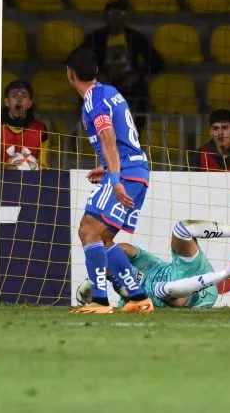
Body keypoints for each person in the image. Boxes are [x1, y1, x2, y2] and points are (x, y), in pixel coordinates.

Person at [65, 47, 154, 315]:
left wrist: (115, 178)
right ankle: (138, 298)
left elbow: (109, 139)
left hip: (126, 173)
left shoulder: (93, 99)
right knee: (102, 236)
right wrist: (106, 168)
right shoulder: (110, 92)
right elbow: (129, 135)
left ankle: (101, 301)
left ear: (70, 75)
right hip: (134, 169)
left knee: (88, 229)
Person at [75, 220, 230, 310]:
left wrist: (98, 273)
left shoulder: (139, 262)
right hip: (189, 299)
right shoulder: (127, 300)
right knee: (160, 290)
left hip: (186, 269)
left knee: (182, 229)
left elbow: (123, 248)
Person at [80, 1, 164, 115]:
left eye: (120, 14)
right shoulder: (95, 38)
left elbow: (157, 62)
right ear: (105, 17)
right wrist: (96, 74)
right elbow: (78, 60)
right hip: (102, 84)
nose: (116, 18)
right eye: (112, 15)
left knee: (141, 94)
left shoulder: (135, 37)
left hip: (130, 86)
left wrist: (138, 75)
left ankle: (139, 128)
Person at [1, 79, 49, 171]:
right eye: (14, 96)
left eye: (24, 96)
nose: (19, 100)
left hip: (31, 180)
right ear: (7, 102)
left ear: (30, 103)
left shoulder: (40, 129)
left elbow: (43, 166)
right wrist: (4, 167)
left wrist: (37, 166)